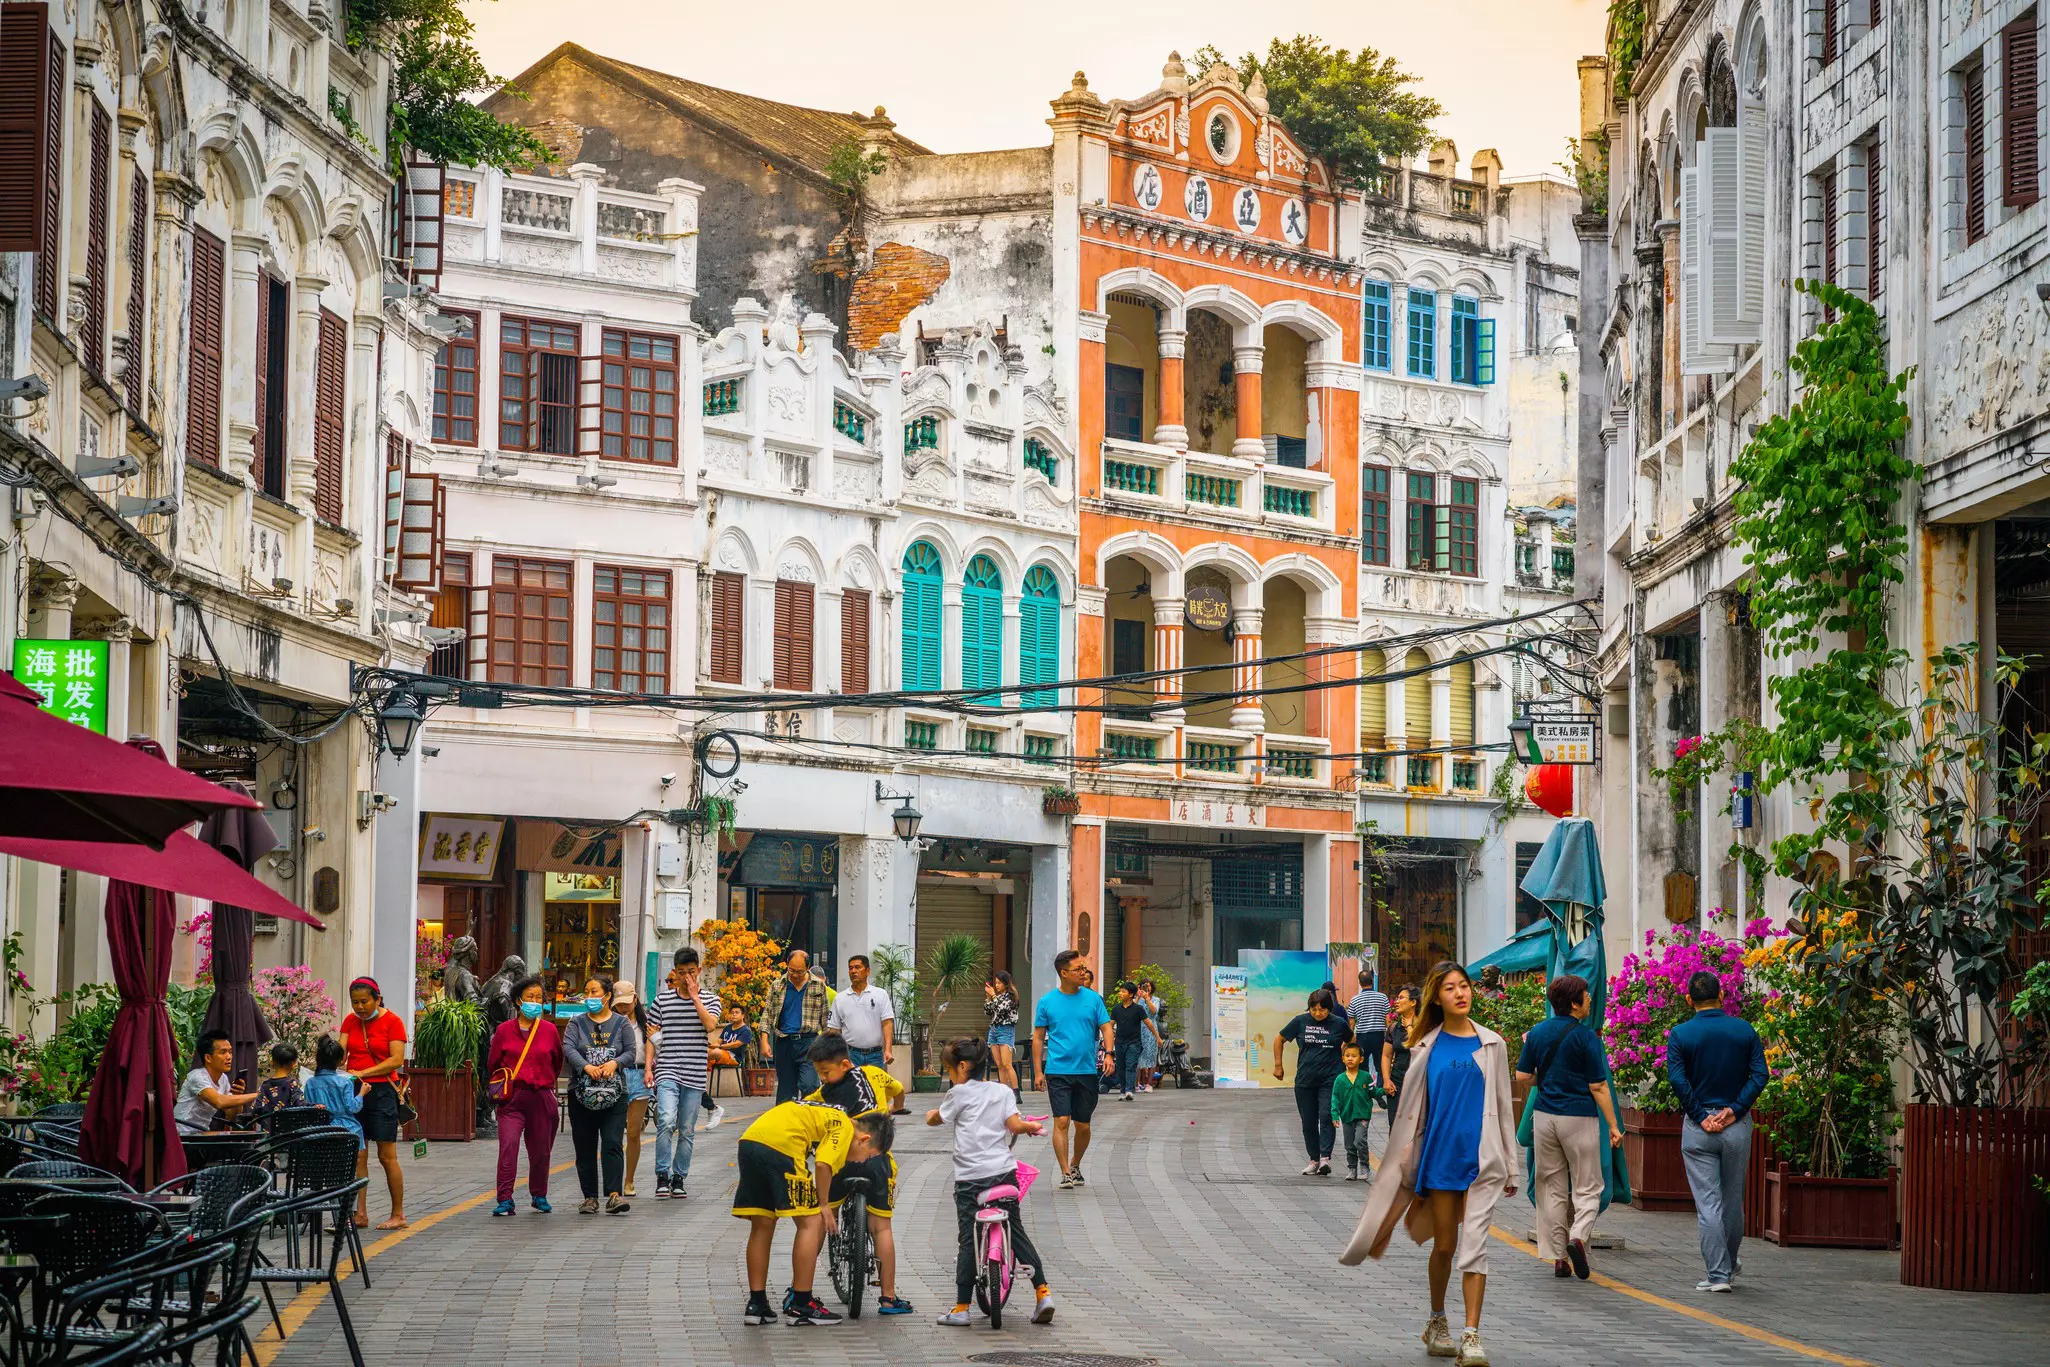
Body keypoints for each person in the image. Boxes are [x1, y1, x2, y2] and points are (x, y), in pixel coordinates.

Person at [1342, 961, 1518, 1367]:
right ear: (1437, 997)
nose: (1461, 993)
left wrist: (1511, 1163)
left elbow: (1503, 1109)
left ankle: (1472, 1334)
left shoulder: (1492, 1044)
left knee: (1475, 1249)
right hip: (1439, 1161)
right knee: (1445, 1246)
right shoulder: (1424, 1047)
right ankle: (1437, 1319)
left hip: (1482, 1161)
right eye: (1450, 988)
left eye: (1465, 986)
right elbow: (1413, 1113)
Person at [926, 1036, 1056, 1327]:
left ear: (961, 1067)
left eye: (947, 1071)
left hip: (970, 1180)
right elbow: (1014, 1126)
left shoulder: (958, 1094)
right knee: (1017, 1232)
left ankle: (961, 1308)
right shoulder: (1001, 1091)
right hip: (1003, 1174)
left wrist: (930, 1115)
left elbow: (939, 1119)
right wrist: (1031, 1126)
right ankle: (1043, 1293)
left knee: (967, 1240)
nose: (949, 1076)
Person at [731, 1098, 885, 1327]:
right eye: (869, 1156)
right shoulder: (844, 1124)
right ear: (864, 1140)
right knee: (812, 1223)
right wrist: (824, 1205)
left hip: (750, 1142)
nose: (862, 1162)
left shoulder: (829, 1109)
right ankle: (801, 1304)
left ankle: (757, 1305)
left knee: (762, 1225)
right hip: (782, 1147)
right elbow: (823, 1164)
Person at [1514, 973, 1624, 1279]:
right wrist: (1614, 1125)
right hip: (1579, 1117)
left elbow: (1522, 1077)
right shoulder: (1586, 1036)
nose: (1590, 1000)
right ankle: (1578, 1236)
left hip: (1545, 1116)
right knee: (1589, 1185)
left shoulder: (1537, 1032)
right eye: (1587, 996)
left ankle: (1559, 1257)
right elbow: (1599, 1086)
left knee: (1551, 1186)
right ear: (1575, 1003)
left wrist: (1546, 1081)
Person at [1667, 968, 1768, 1294]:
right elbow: (1759, 1076)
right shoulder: (1744, 1030)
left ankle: (1718, 1275)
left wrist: (1700, 1115)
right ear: (1722, 996)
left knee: (1708, 1205)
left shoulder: (1681, 1035)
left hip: (1698, 1129)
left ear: (1688, 999)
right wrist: (1734, 1109)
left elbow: (1678, 1080)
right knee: (1733, 1199)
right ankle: (1730, 1262)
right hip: (1735, 1125)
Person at [804, 1034, 911, 1314]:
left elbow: (806, 1111)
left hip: (838, 1161)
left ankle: (800, 1292)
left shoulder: (820, 1096)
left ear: (844, 1063)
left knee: (821, 1219)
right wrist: (895, 1108)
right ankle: (888, 1298)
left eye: (825, 1072)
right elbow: (899, 1090)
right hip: (876, 1159)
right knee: (882, 1228)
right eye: (819, 1073)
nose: (823, 1079)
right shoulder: (874, 1074)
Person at [645, 949, 723, 1200]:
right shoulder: (662, 1001)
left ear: (699, 971)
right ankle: (662, 1175)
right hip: (667, 1067)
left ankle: (679, 1177)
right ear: (674, 973)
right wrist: (648, 1067)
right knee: (666, 1120)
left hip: (695, 1071)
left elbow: (710, 1026)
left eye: (691, 972)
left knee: (687, 1128)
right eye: (681, 973)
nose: (686, 977)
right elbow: (651, 1035)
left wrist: (694, 998)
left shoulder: (711, 1000)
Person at [1032, 949, 1113, 1189]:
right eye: (1079, 969)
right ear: (1064, 973)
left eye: (1084, 968)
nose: (1084, 972)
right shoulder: (1047, 1002)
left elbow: (1107, 1028)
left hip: (1087, 1070)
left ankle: (1076, 1164)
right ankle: (1065, 1171)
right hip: (1058, 1070)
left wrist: (1109, 1054)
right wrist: (1038, 1072)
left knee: (1083, 1125)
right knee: (1062, 1121)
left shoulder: (1093, 999)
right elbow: (1038, 1038)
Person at [486, 975, 563, 1216]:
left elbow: (557, 1062)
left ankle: (539, 1194)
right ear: (518, 1001)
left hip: (541, 1096)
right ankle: (505, 1199)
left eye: (539, 998)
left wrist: (545, 1081)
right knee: (508, 1147)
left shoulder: (549, 1030)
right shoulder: (504, 1031)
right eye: (530, 997)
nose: (535, 1002)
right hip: (513, 1098)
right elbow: (493, 1064)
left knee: (541, 1150)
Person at [563, 975, 637, 1215]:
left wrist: (614, 1063)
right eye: (587, 992)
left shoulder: (622, 1023)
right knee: (584, 1145)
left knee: (613, 1143)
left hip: (615, 1094)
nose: (590, 997)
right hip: (580, 1093)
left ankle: (614, 1195)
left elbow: (630, 1051)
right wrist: (586, 1066)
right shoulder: (576, 1023)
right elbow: (569, 1048)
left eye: (595, 992)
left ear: (607, 996)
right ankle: (590, 1197)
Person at [341, 977, 408, 1230]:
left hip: (381, 1092)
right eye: (355, 1002)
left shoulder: (393, 1022)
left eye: (364, 1002)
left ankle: (398, 1214)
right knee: (358, 1155)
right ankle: (360, 1215)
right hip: (355, 1090)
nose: (359, 1007)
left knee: (387, 1156)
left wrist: (363, 1073)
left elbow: (395, 1061)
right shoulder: (350, 1021)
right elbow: (342, 1052)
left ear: (377, 999)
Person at [1274, 987, 1355, 1175]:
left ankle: (1325, 1159)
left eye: (1322, 1009)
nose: (1318, 1013)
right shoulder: (1300, 1021)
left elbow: (1351, 1040)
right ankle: (1314, 1159)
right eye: (1314, 1009)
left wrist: (1346, 1058)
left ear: (1329, 1008)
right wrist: (1278, 1065)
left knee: (1327, 1116)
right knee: (1308, 1122)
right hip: (1305, 1080)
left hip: (1331, 1078)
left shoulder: (1339, 1023)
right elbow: (1279, 1039)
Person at [758, 950, 831, 1103]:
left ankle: (808, 1122)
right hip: (784, 1042)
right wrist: (764, 1042)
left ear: (808, 968)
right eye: (791, 970)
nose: (795, 975)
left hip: (809, 1042)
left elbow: (825, 1020)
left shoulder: (818, 986)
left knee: (809, 1085)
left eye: (800, 971)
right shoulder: (778, 985)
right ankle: (787, 1124)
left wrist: (827, 1048)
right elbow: (767, 1015)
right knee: (786, 1090)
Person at [174, 1029, 259, 1134]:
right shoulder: (196, 1077)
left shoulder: (223, 1078)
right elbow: (220, 1102)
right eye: (223, 1052)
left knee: (248, 1136)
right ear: (208, 1058)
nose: (229, 1057)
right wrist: (257, 1095)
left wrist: (236, 1095)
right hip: (182, 1135)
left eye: (230, 1052)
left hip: (201, 1134)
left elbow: (231, 1115)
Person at [824, 953, 895, 1071]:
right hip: (851, 1055)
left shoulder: (880, 994)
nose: (853, 971)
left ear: (867, 971)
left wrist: (888, 1050)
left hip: (875, 1055)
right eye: (850, 968)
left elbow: (887, 1023)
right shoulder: (840, 998)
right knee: (852, 1088)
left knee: (874, 1088)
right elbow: (834, 1030)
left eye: (857, 967)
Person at [612, 981, 650, 1197]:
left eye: (627, 1003)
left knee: (634, 1132)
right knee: (614, 1133)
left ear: (635, 999)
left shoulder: (646, 1024)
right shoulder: (612, 1023)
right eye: (619, 1004)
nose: (623, 1008)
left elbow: (654, 1050)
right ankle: (615, 1181)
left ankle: (629, 1180)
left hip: (639, 1077)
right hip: (617, 1075)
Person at [1108, 981, 1164, 1102]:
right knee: (1121, 1067)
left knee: (1131, 1065)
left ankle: (1129, 1090)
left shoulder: (1138, 1009)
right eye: (1120, 991)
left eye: (1123, 991)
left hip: (1134, 1042)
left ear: (1130, 994)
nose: (1120, 993)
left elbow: (1149, 1023)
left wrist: (1157, 1037)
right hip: (1119, 1042)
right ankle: (1122, 1090)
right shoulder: (1116, 1009)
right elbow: (1110, 1025)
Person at [304, 1035, 363, 1148]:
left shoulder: (310, 1083)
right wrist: (361, 1093)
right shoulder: (345, 1082)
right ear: (340, 1060)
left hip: (319, 1131)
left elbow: (308, 1109)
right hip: (347, 1130)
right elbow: (352, 1107)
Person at [1332, 1042, 1379, 1180]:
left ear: (1361, 1059)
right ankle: (1352, 1168)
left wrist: (1385, 1091)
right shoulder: (1340, 1079)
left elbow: (1373, 1091)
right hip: (1346, 1116)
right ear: (1343, 1059)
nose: (1350, 1058)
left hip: (1363, 1115)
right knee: (1349, 1145)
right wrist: (1335, 1115)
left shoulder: (1365, 1077)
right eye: (1347, 1056)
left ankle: (1364, 1166)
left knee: (1360, 1141)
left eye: (1354, 1056)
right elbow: (1335, 1098)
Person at [1347, 969, 1391, 1095]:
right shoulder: (1382, 997)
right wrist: (1390, 1035)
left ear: (1360, 983)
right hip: (1378, 1035)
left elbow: (1351, 1023)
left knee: (1362, 1065)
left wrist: (1350, 1040)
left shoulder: (1355, 1000)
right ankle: (1380, 1091)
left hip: (1362, 1036)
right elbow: (1388, 1019)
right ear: (1372, 981)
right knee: (1380, 1065)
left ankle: (1364, 1090)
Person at [1382, 984, 1418, 1125]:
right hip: (1397, 1082)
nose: (1396, 1001)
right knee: (1395, 1126)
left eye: (1401, 998)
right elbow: (1386, 1055)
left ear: (1413, 1002)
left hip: (1418, 1082)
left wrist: (1409, 1026)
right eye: (1396, 998)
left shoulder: (1425, 1026)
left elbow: (1418, 1047)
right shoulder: (1393, 1028)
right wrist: (1386, 1079)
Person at [247, 1042, 307, 1122]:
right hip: (287, 1132)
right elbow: (300, 1103)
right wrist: (315, 1106)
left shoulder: (264, 1086)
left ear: (272, 1062)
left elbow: (255, 1109)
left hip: (268, 1132)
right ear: (293, 1064)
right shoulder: (292, 1084)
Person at [983, 971, 1021, 1094]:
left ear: (1006, 983)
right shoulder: (998, 997)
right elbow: (988, 1012)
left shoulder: (1011, 997)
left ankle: (1016, 1092)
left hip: (1005, 1030)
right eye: (996, 983)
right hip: (994, 1030)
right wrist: (988, 998)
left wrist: (993, 995)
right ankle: (1003, 1092)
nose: (997, 985)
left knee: (1007, 1064)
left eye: (999, 983)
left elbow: (1001, 1009)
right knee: (999, 1064)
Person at [1135, 979, 1165, 1091]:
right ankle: (1136, 1084)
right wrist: (1138, 996)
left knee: (1151, 1055)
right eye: (1144, 986)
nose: (1146, 988)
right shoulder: (1137, 998)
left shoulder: (1155, 999)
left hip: (1151, 1030)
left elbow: (1153, 1011)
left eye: (1148, 986)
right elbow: (1131, 1009)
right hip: (1138, 1029)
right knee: (1137, 1056)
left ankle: (1149, 1084)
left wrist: (1147, 998)